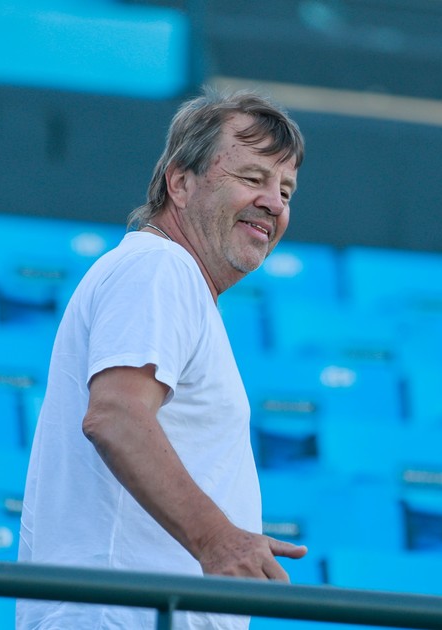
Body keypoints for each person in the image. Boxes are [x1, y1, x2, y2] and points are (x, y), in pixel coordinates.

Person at [16, 87, 307, 630]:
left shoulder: (170, 277)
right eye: (252, 178)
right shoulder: (159, 267)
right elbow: (116, 416)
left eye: (286, 190)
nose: (274, 203)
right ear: (180, 182)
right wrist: (219, 540)